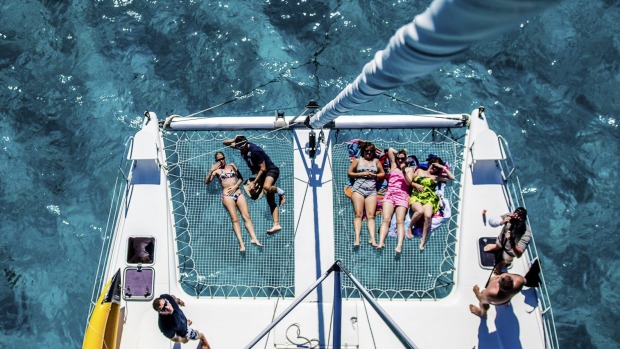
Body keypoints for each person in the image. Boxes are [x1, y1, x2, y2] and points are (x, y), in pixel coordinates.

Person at [223, 135, 285, 234]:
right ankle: (276, 224)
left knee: (266, 187)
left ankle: (281, 193)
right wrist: (234, 140)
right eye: (239, 148)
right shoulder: (241, 146)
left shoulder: (255, 151)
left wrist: (254, 183)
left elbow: (263, 168)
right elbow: (225, 143)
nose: (241, 150)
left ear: (246, 143)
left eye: (242, 148)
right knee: (270, 200)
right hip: (262, 176)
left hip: (271, 170)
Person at [205, 151, 262, 251]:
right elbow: (207, 182)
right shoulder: (216, 171)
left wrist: (236, 186)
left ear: (224, 157)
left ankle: (254, 238)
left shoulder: (232, 166)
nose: (221, 161)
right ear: (216, 161)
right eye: (218, 160)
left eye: (222, 158)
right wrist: (211, 170)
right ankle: (241, 243)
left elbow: (240, 178)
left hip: (238, 193)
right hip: (227, 196)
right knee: (235, 219)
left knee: (247, 216)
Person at [408, 154, 455, 250]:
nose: (434, 168)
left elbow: (452, 178)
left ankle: (423, 239)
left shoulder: (436, 177)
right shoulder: (419, 171)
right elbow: (408, 181)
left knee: (428, 217)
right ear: (429, 164)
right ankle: (410, 227)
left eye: (436, 167)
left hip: (429, 198)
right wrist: (416, 185)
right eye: (433, 165)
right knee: (419, 211)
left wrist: (442, 167)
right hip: (417, 196)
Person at [347, 141, 385, 247]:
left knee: (371, 216)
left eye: (371, 151)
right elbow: (350, 173)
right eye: (367, 151)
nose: (369, 153)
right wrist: (362, 173)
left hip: (371, 191)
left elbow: (382, 174)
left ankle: (372, 239)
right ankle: (357, 238)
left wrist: (375, 176)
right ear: (363, 151)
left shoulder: (376, 161)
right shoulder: (357, 161)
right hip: (358, 189)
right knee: (358, 214)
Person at [376, 148, 414, 253]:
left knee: (399, 221)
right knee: (386, 219)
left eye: (402, 158)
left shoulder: (410, 170)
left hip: (402, 195)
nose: (400, 160)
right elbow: (390, 149)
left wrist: (403, 171)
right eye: (398, 158)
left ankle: (399, 245)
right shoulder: (393, 165)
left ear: (406, 159)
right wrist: (400, 152)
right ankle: (381, 242)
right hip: (390, 194)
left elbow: (409, 183)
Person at [483, 207, 531, 274]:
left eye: (519, 217)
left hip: (510, 251)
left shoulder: (527, 234)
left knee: (505, 260)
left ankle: (499, 269)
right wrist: (502, 222)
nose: (515, 218)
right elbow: (491, 222)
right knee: (498, 244)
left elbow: (519, 254)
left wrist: (511, 241)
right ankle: (497, 247)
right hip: (501, 241)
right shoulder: (509, 216)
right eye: (515, 214)